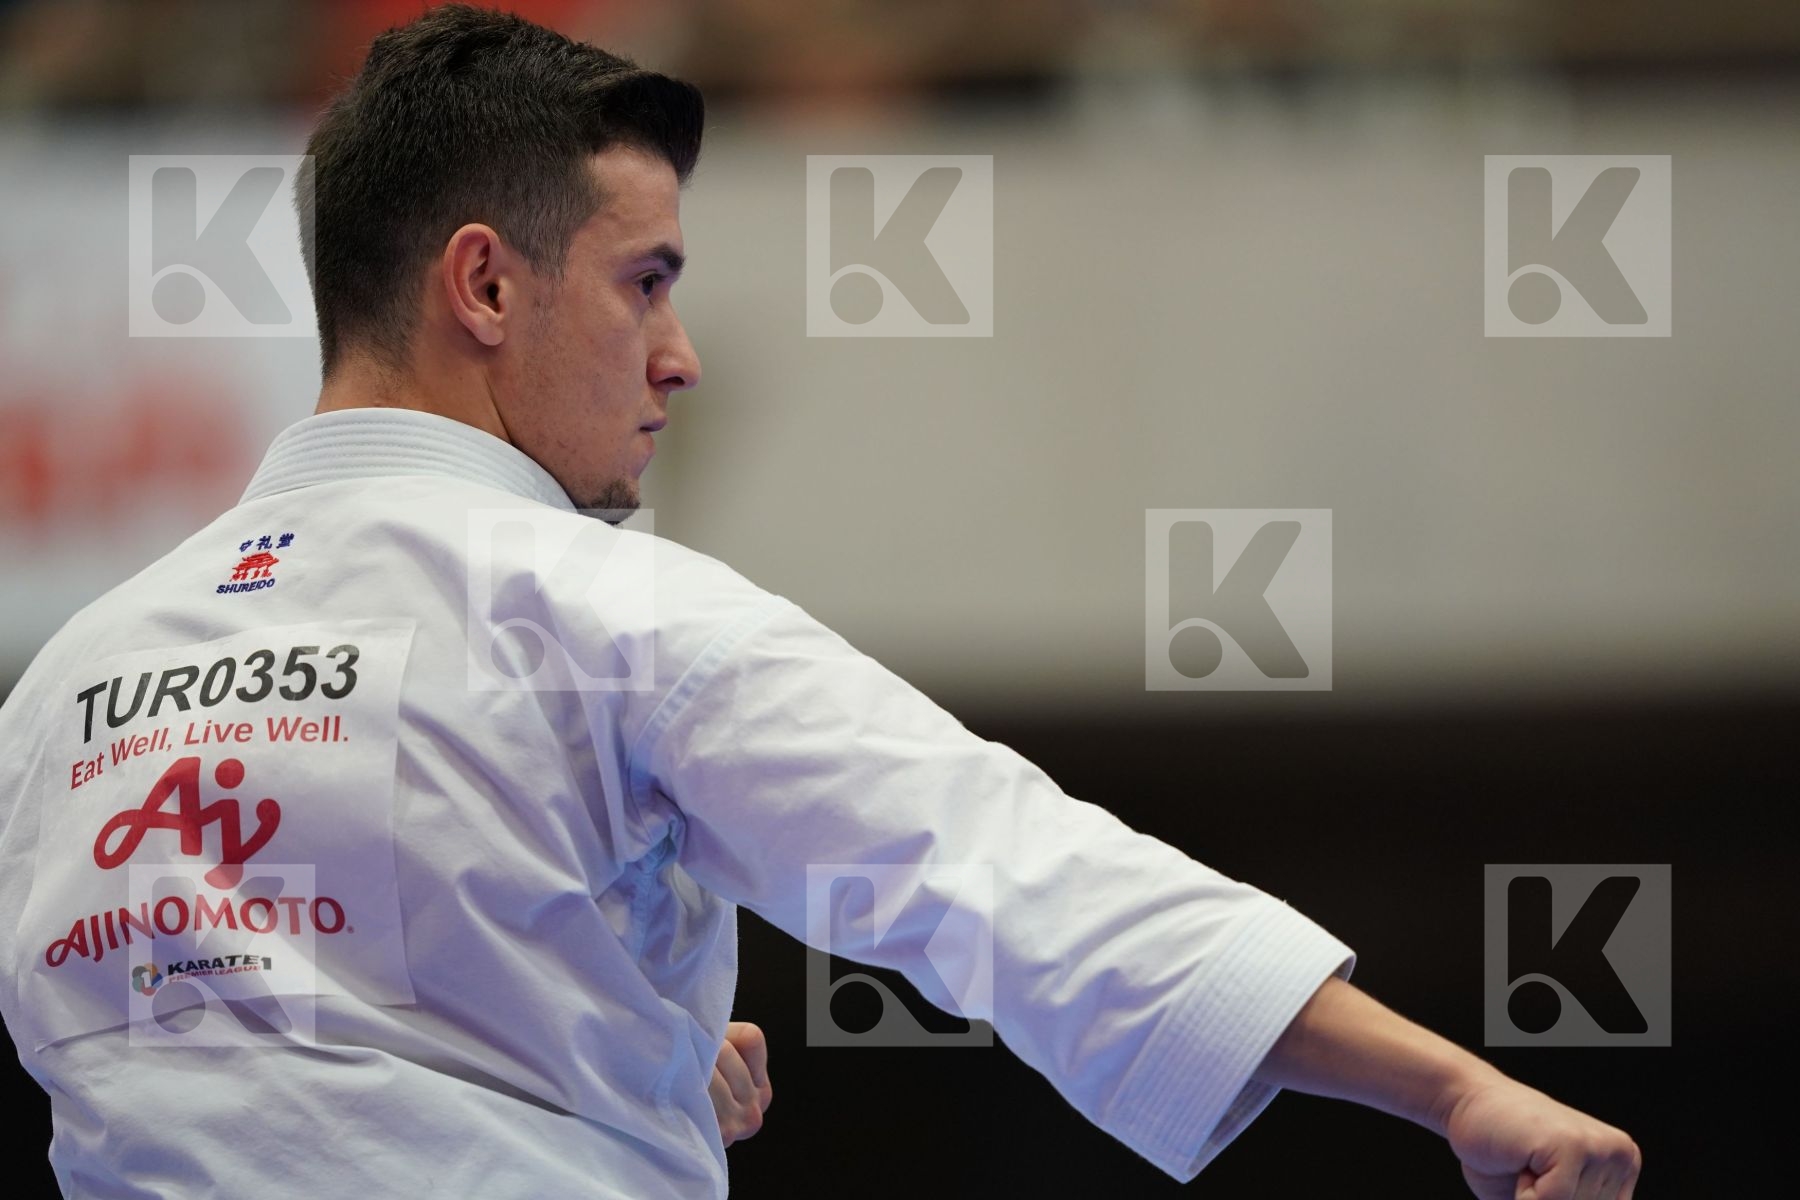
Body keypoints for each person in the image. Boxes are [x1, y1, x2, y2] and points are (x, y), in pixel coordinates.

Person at [0, 5, 1641, 1198]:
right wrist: (1455, 1090)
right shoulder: (601, 612)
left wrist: (606, 1052)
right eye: (646, 282)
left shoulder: (67, 685)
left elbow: (241, 1056)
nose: (680, 355)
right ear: (487, 285)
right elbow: (1004, 873)